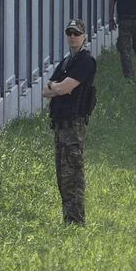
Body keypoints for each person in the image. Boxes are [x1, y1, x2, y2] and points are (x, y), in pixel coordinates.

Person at [43, 18, 98, 225]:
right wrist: (55, 87)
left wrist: (55, 87)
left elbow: (65, 88)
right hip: (60, 125)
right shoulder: (67, 62)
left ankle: (76, 220)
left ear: (84, 36)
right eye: (70, 33)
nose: (73, 37)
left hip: (73, 125)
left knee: (73, 175)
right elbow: (45, 91)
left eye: (76, 33)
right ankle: (68, 219)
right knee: (63, 176)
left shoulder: (85, 61)